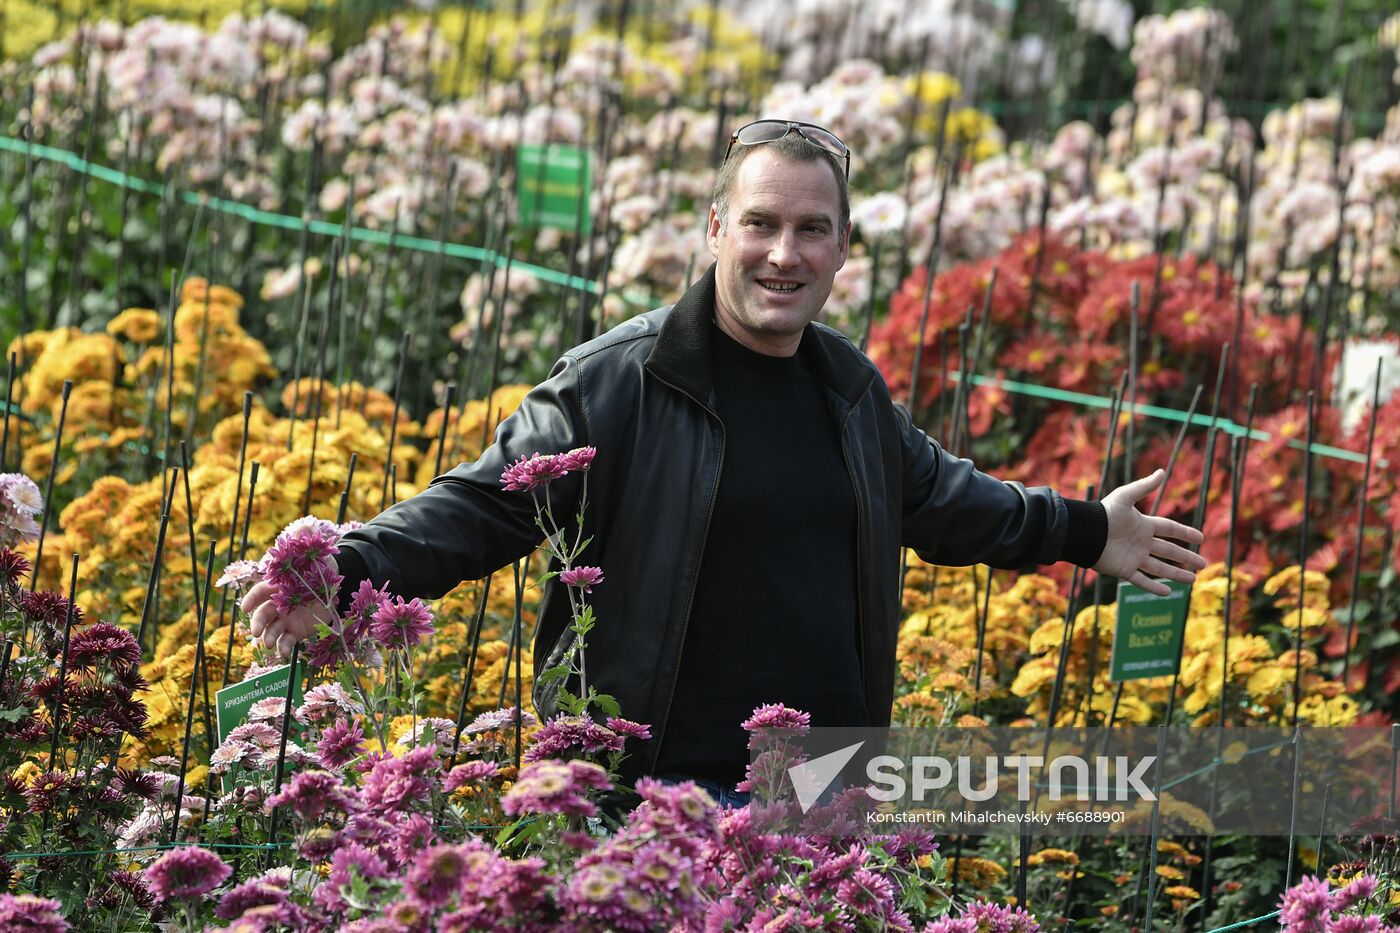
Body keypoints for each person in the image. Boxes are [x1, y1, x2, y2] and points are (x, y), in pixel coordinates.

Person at [242, 120, 1205, 800]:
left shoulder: (847, 389)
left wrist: (1090, 529)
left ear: (841, 249)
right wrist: (352, 562)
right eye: (761, 223)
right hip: (656, 791)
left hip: (824, 790)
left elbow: (950, 501)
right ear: (716, 231)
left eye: (811, 229)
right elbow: (483, 505)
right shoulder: (621, 381)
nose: (783, 254)